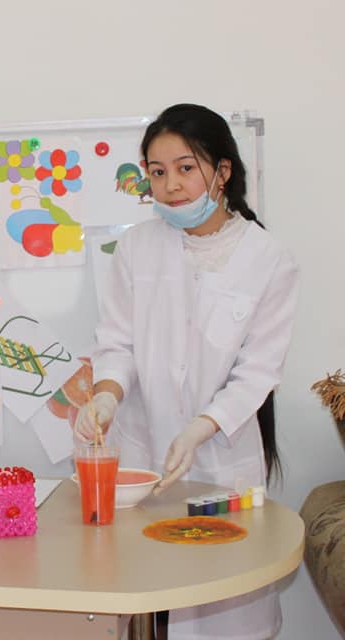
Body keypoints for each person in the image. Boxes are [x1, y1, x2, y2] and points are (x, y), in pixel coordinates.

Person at [74, 103, 298, 639]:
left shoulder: (268, 258)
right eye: (157, 171)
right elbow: (117, 342)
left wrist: (201, 427)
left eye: (185, 167)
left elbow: (258, 371)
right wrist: (105, 396)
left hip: (221, 459)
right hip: (141, 452)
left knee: (219, 602)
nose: (170, 185)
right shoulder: (136, 247)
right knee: (138, 596)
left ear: (222, 171)